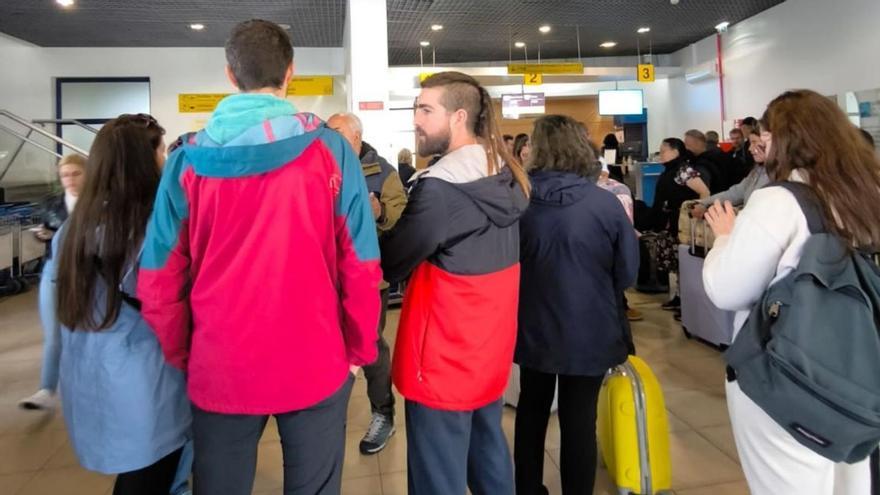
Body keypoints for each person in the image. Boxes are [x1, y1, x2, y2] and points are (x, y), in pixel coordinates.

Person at [137, 19, 381, 495]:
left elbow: (157, 278)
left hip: (221, 364)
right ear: (290, 73)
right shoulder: (332, 152)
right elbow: (361, 265)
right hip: (316, 359)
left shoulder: (187, 161)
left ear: (230, 75)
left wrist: (183, 354)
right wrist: (358, 352)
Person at [703, 89, 879, 494]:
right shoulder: (864, 195)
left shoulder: (780, 201)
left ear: (785, 139)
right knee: (850, 481)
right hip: (857, 370)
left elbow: (727, 289)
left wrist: (725, 239)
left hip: (788, 373)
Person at [380, 71, 530, 495]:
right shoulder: (504, 173)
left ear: (459, 116)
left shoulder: (441, 190)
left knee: (437, 476)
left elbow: (394, 262)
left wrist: (375, 224)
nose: (416, 120)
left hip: (443, 355)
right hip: (487, 349)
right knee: (488, 456)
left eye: (426, 110)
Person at [51, 114, 190, 494]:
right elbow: (168, 303)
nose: (166, 158)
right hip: (143, 379)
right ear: (143, 163)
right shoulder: (148, 231)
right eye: (162, 150)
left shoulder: (74, 227)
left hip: (93, 374)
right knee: (150, 477)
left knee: (138, 476)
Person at [515, 115, 638, 495]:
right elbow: (628, 273)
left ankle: (527, 487)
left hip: (531, 325)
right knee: (579, 418)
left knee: (531, 409)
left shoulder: (518, 201)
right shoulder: (605, 204)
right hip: (591, 326)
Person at [327, 112, 408, 455]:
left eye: (337, 133)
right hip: (328, 279)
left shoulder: (384, 173)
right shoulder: (317, 169)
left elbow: (401, 221)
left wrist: (379, 215)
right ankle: (327, 416)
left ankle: (382, 413)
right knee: (331, 349)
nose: (329, 139)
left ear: (356, 137)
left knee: (371, 347)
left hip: (370, 281)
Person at [18, 153, 87, 411]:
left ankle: (82, 385)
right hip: (55, 269)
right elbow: (44, 232)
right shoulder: (51, 205)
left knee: (84, 332)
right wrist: (44, 236)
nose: (69, 179)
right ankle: (46, 388)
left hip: (87, 271)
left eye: (75, 173)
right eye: (65, 174)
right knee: (54, 333)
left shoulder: (99, 202)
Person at [648, 138, 710, 314]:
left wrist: (696, 210)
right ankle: (678, 297)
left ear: (676, 151)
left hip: (681, 224)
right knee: (675, 264)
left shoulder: (683, 170)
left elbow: (704, 191)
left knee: (684, 261)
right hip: (668, 223)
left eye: (663, 151)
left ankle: (686, 301)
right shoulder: (668, 171)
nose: (660, 154)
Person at [691, 129, 771, 219]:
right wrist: (704, 202)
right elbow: (735, 192)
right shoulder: (757, 171)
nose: (750, 148)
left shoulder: (781, 176)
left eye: (754, 142)